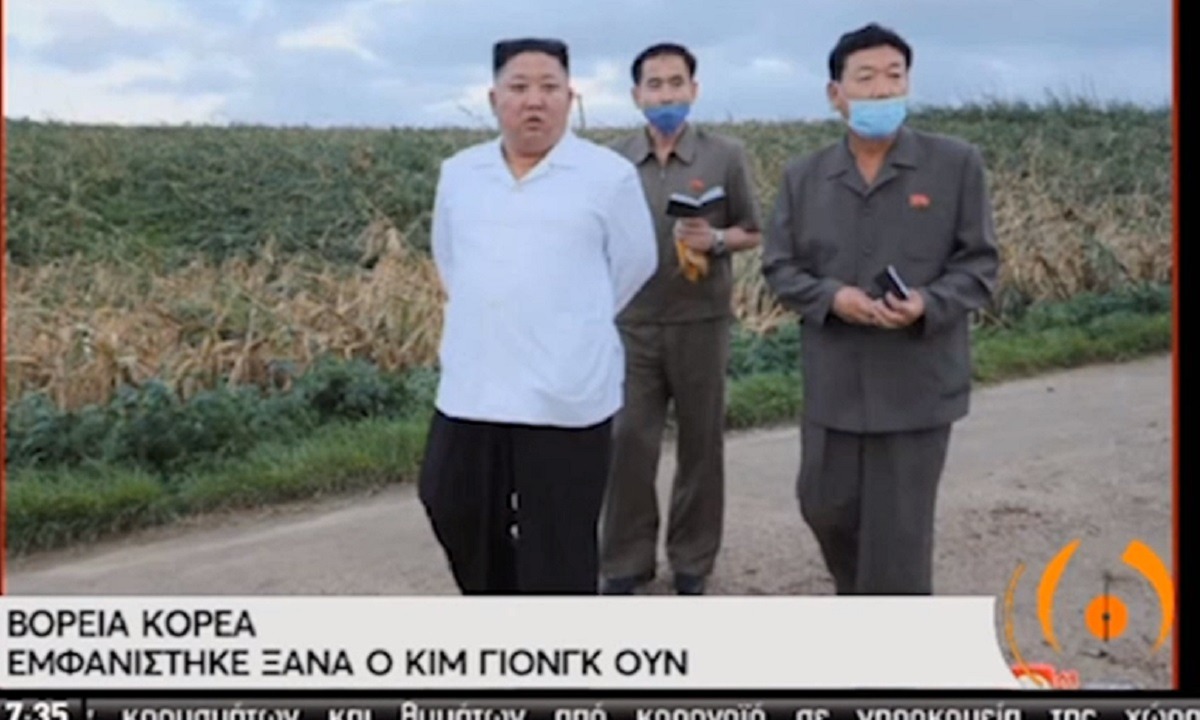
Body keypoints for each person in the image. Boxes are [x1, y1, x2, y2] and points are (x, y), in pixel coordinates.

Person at [761, 23, 999, 595]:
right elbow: (780, 267)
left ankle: (890, 640)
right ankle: (863, 603)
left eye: (894, 76)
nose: (882, 89)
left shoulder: (955, 164)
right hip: (835, 382)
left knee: (898, 542)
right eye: (865, 78)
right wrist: (831, 298)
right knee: (824, 506)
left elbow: (980, 265)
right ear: (836, 94)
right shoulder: (805, 177)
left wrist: (928, 303)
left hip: (916, 384)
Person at [418, 37, 658, 594]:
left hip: (565, 390)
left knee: (560, 536)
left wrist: (573, 317)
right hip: (475, 385)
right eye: (519, 87)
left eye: (549, 87)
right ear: (494, 98)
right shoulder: (461, 173)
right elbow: (449, 260)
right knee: (453, 503)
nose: (534, 100)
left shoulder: (607, 176)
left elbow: (634, 264)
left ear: (570, 98)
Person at [600, 43, 764, 596]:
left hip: (701, 320)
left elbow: (751, 230)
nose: (666, 94)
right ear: (636, 95)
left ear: (694, 89)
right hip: (630, 323)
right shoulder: (614, 161)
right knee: (628, 441)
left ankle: (693, 558)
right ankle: (625, 559)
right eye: (655, 85)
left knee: (701, 441)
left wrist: (715, 239)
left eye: (676, 83)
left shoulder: (725, 155)